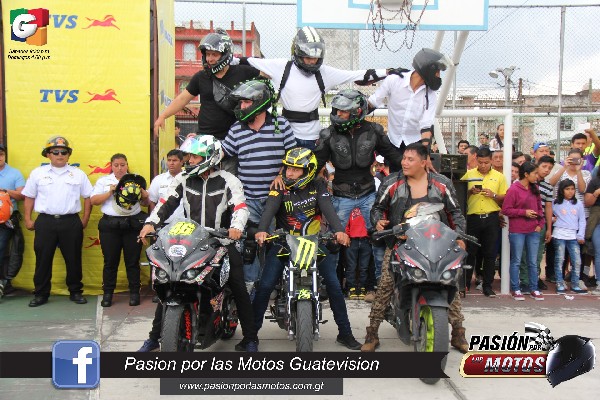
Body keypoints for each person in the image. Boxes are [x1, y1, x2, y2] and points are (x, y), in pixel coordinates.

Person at [138, 135, 258, 352]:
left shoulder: (229, 180)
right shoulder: (183, 179)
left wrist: (236, 227)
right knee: (170, 284)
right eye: (190, 156)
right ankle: (154, 337)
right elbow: (165, 203)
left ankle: (250, 338)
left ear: (210, 157)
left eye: (195, 156)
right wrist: (150, 223)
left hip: (221, 242)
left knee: (239, 287)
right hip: (191, 242)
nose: (190, 160)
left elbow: (240, 207)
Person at [362, 142, 469, 354]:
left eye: (410, 159)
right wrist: (378, 222)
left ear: (424, 161)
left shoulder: (442, 184)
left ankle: (458, 332)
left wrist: (459, 236)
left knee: (450, 282)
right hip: (400, 243)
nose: (404, 162)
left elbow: (456, 213)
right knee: (385, 285)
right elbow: (377, 208)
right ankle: (372, 333)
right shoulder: (392, 183)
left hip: (437, 243)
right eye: (404, 158)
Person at [253, 147, 361, 350]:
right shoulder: (279, 186)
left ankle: (345, 333)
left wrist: (339, 231)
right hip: (284, 243)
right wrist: (262, 230)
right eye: (287, 168)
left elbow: (328, 209)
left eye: (295, 169)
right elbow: (269, 210)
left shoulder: (318, 185)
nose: (289, 172)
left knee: (334, 286)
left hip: (314, 242)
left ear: (308, 170)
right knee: (265, 285)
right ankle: (250, 337)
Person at [238, 26, 390, 150]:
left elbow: (357, 75)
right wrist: (226, 61)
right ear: (297, 53)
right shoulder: (281, 67)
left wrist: (388, 72)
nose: (312, 62)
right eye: (308, 57)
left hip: (313, 138)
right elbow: (246, 61)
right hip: (286, 136)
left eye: (315, 58)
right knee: (287, 175)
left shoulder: (325, 73)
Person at [221, 78, 297, 290]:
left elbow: (293, 156)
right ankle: (250, 288)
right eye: (241, 102)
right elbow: (222, 153)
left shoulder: (281, 125)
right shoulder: (236, 129)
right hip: (248, 199)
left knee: (274, 243)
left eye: (246, 102)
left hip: (276, 199)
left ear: (260, 103)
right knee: (250, 245)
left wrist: (281, 174)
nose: (242, 106)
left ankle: (272, 287)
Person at [153, 28, 261, 173]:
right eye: (208, 54)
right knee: (202, 179)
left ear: (225, 53)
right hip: (204, 140)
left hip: (232, 140)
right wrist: (163, 116)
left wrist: (244, 60)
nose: (210, 59)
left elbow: (268, 74)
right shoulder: (201, 77)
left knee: (229, 181)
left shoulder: (242, 72)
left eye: (214, 54)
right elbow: (183, 98)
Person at [22, 136, 93, 307]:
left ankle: (75, 291)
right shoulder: (38, 173)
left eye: (64, 152)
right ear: (48, 154)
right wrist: (28, 218)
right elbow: (29, 196)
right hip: (45, 221)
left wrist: (84, 219)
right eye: (55, 152)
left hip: (71, 221)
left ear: (68, 155)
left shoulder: (78, 174)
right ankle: (41, 294)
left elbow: (88, 197)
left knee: (73, 258)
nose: (60, 155)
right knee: (43, 259)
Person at [368, 48, 451, 168]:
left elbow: (426, 125)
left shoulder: (431, 95)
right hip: (393, 142)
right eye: (437, 71)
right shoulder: (394, 80)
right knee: (395, 176)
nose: (438, 76)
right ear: (428, 69)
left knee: (414, 176)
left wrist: (426, 155)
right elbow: (373, 102)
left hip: (415, 143)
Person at [90, 154, 150, 307]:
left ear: (127, 165)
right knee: (110, 262)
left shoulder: (136, 180)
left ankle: (134, 293)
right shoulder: (104, 181)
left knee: (132, 261)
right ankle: (108, 294)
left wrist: (145, 195)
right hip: (110, 226)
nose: (119, 168)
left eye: (122, 165)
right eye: (116, 165)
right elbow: (93, 200)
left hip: (132, 225)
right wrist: (110, 192)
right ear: (111, 166)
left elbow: (146, 203)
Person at [461, 147, 508, 296]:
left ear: (491, 161)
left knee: (490, 253)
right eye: (480, 162)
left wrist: (493, 195)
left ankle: (487, 285)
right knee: (470, 252)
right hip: (473, 218)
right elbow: (459, 194)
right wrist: (470, 192)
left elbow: (505, 197)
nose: (483, 165)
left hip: (491, 218)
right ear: (476, 160)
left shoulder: (499, 177)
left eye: (486, 162)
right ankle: (465, 284)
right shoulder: (469, 175)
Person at [501, 162, 545, 301]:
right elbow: (506, 209)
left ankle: (534, 288)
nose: (537, 176)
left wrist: (540, 224)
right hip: (518, 230)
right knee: (517, 260)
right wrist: (523, 212)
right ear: (526, 174)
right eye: (535, 173)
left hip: (533, 230)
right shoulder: (514, 189)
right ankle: (516, 288)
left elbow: (540, 209)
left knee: (533, 261)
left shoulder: (535, 189)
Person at [552, 179, 587, 294]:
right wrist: (552, 219)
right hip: (559, 235)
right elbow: (547, 214)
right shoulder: (555, 203)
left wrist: (580, 235)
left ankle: (575, 283)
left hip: (573, 236)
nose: (570, 191)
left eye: (572, 189)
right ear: (562, 190)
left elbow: (582, 220)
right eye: (567, 189)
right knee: (559, 259)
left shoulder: (578, 204)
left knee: (577, 260)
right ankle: (559, 282)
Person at [0, 144, 25, 297]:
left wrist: (4, 191)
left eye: (1, 154)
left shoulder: (14, 173)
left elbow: (22, 195)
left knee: (3, 250)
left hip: (6, 220)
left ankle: (4, 283)